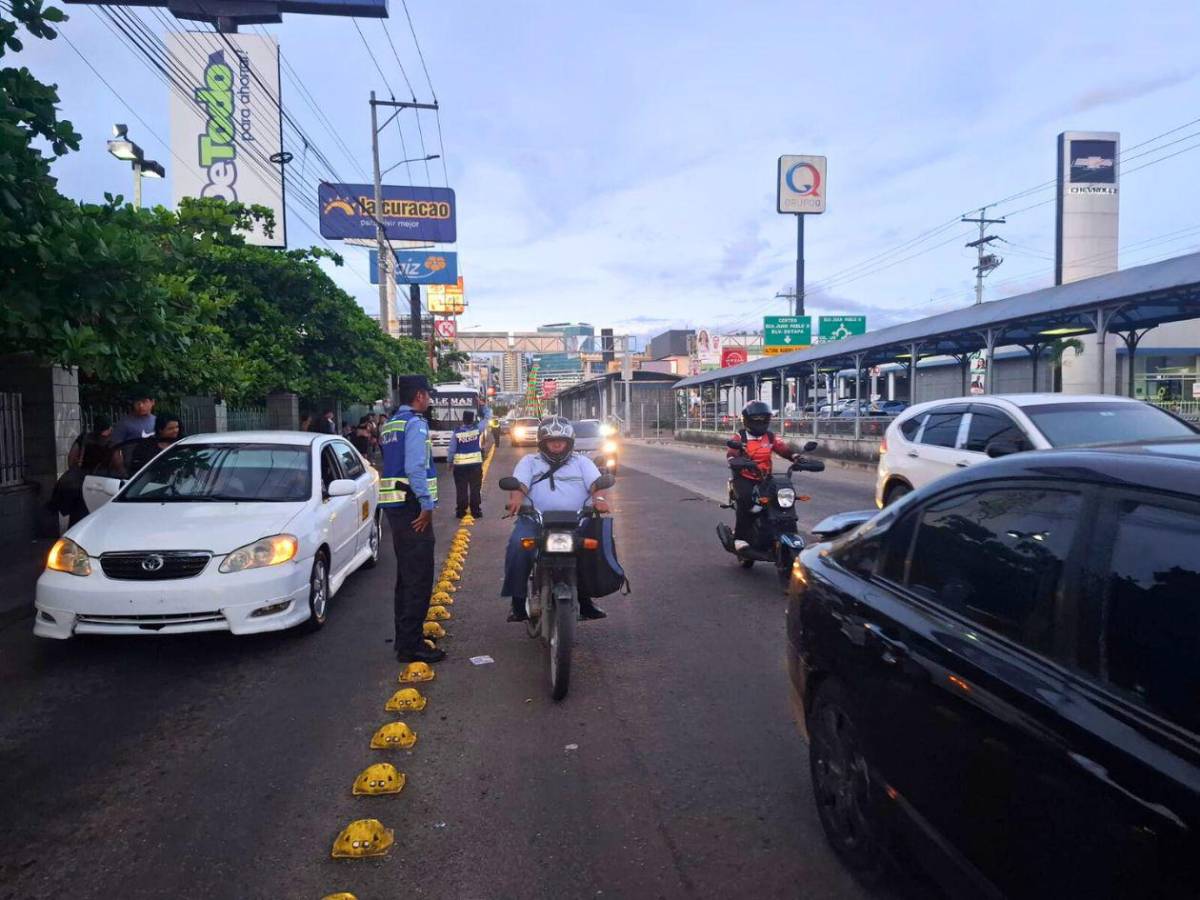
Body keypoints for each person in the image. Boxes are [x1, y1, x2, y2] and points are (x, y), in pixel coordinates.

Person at [501, 416, 610, 623]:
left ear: (570, 443)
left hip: (576, 522)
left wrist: (600, 500)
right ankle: (517, 601)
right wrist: (516, 500)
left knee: (593, 548)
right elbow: (520, 485)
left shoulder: (582, 462)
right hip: (536, 520)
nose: (557, 444)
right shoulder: (529, 462)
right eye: (552, 440)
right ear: (543, 443)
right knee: (518, 546)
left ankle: (586, 601)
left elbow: (597, 484)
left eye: (562, 440)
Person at [379, 375, 444, 664]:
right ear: (419, 395)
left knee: (406, 578)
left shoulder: (390, 424)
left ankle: (406, 638)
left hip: (395, 507)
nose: (429, 400)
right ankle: (411, 646)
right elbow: (415, 467)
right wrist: (426, 506)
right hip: (412, 507)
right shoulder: (415, 424)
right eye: (428, 395)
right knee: (418, 578)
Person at [726, 400, 795, 553]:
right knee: (747, 503)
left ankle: (782, 532)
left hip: (765, 478)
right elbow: (731, 453)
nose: (760, 422)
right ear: (747, 420)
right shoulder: (740, 437)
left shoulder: (770, 437)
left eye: (763, 419)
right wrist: (737, 461)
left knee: (781, 501)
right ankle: (739, 537)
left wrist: (795, 457)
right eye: (756, 419)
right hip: (745, 477)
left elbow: (781, 448)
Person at [448, 410, 484, 519]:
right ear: (472, 419)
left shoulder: (457, 432)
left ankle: (461, 511)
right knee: (475, 488)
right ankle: (475, 511)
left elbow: (452, 449)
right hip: (475, 465)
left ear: (463, 419)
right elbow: (487, 417)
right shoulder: (477, 429)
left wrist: (449, 462)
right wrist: (482, 405)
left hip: (460, 466)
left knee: (461, 489)